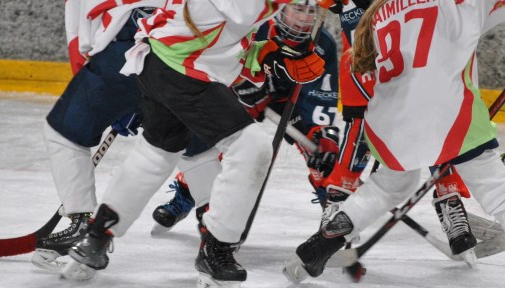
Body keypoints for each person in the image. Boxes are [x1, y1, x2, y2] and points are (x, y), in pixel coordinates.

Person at [283, 1, 505, 287]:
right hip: (452, 119)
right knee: (499, 193)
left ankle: (323, 242)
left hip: (388, 124)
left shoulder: (380, 12)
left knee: (388, 186)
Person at [59, 1, 327, 287]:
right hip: (182, 70)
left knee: (157, 153)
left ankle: (97, 236)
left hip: (161, 60)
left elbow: (225, 32)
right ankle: (216, 249)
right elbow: (242, 11)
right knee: (252, 148)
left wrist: (266, 55)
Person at [150, 3, 343, 235]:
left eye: (311, 12)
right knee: (224, 144)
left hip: (286, 104)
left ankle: (335, 217)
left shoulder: (323, 45)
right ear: (282, 8)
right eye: (298, 9)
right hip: (240, 93)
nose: (304, 18)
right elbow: (220, 63)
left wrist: (320, 131)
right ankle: (187, 193)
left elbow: (320, 96)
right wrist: (243, 84)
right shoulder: (255, 24)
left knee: (323, 151)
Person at [30, 0, 163, 271]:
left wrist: (115, 93)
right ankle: (217, 240)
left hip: (129, 49)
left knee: (65, 133)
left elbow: (85, 31)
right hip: (190, 60)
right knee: (187, 147)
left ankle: (82, 225)